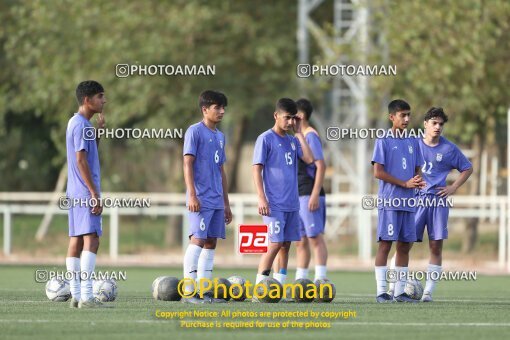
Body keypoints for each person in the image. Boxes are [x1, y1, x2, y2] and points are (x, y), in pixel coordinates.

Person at [388, 107, 472, 302]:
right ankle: (393, 288)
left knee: (436, 246)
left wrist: (453, 187)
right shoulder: (412, 144)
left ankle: (428, 293)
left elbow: (467, 168)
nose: (437, 127)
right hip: (415, 200)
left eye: (441, 124)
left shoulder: (449, 149)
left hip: (438, 202)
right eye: (434, 123)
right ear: (425, 124)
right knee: (403, 245)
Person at [252, 98, 313, 295]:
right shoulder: (265, 139)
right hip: (273, 203)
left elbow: (310, 159)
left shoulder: (293, 140)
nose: (289, 122)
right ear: (276, 116)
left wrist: (298, 133)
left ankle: (278, 288)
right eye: (286, 118)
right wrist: (261, 198)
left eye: (292, 119)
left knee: (286, 245)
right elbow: (256, 169)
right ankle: (260, 287)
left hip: (292, 203)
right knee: (275, 243)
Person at [372, 99, 425, 303]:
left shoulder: (413, 141)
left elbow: (417, 169)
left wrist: (418, 181)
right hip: (390, 201)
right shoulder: (383, 140)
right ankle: (381, 292)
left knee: (404, 245)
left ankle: (400, 292)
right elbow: (378, 172)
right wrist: (404, 183)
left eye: (408, 115)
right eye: (402, 115)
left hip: (409, 202)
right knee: (385, 244)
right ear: (391, 117)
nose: (406, 119)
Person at [182, 90, 232, 304]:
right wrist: (192, 195)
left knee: (211, 242)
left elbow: (221, 170)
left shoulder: (220, 136)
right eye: (217, 107)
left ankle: (205, 292)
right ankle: (189, 291)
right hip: (201, 197)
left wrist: (226, 203)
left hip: (217, 199)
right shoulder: (194, 132)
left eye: (223, 108)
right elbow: (187, 164)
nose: (221, 111)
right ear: (205, 110)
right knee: (198, 240)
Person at [274, 98, 328, 283]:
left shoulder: (309, 135)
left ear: (301, 115)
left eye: (292, 114)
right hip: (297, 195)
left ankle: (321, 278)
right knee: (300, 240)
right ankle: (301, 280)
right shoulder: (294, 137)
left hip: (309, 193)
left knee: (314, 238)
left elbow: (320, 166)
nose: (289, 119)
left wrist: (315, 193)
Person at [65, 80, 108, 308]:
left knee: (76, 241)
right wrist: (93, 192)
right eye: (100, 96)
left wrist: (98, 134)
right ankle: (87, 297)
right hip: (84, 191)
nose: (104, 101)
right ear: (87, 100)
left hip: (74, 191)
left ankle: (75, 295)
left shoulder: (77, 123)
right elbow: (81, 161)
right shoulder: (81, 125)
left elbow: (87, 154)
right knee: (92, 239)